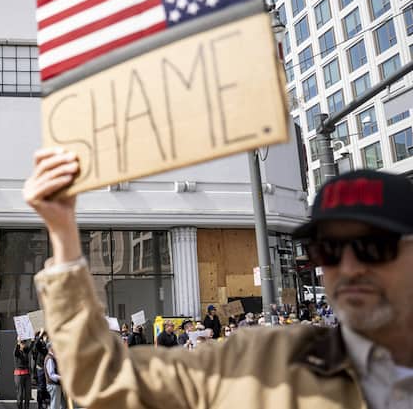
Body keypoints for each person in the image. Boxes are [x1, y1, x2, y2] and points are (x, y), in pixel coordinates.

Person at [26, 152, 413, 408]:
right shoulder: (260, 361)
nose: (348, 268)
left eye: (371, 247)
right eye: (327, 250)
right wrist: (63, 233)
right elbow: (103, 381)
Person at [13, 339, 33, 409]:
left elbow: (31, 346)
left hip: (27, 375)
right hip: (19, 375)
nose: (23, 344)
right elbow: (16, 351)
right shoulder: (17, 352)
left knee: (27, 395)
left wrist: (33, 340)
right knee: (20, 394)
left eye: (24, 343)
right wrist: (18, 343)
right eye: (22, 343)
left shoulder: (26, 351)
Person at [44, 343, 62, 409]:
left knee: (56, 405)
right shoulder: (50, 358)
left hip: (55, 385)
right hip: (53, 385)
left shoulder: (53, 357)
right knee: (55, 405)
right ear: (51, 348)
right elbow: (51, 375)